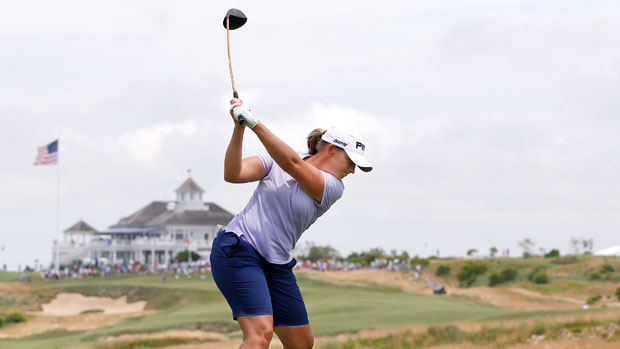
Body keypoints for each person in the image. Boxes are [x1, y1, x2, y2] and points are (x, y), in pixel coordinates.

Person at [210, 98, 372, 349]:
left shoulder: (333, 187)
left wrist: (255, 123)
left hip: (276, 263)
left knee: (302, 343)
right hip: (238, 249)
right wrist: (239, 127)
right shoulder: (276, 159)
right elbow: (233, 174)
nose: (352, 171)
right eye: (350, 162)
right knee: (259, 334)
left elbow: (292, 164)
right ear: (331, 150)